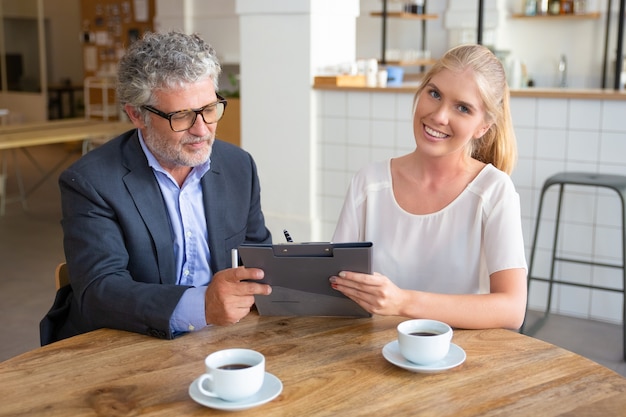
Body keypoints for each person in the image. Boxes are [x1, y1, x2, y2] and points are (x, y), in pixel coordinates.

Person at [40, 31, 272, 345]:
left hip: (222, 338)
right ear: (137, 114)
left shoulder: (238, 165)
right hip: (126, 341)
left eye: (209, 108)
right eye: (182, 116)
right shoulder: (91, 181)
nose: (201, 129)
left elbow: (259, 258)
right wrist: (201, 305)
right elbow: (100, 291)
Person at [330, 44, 527, 330]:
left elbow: (512, 309)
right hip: (373, 356)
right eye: (434, 94)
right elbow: (337, 287)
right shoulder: (369, 184)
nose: (439, 116)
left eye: (462, 108)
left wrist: (403, 302)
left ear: (482, 127)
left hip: (464, 361)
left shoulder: (494, 192)